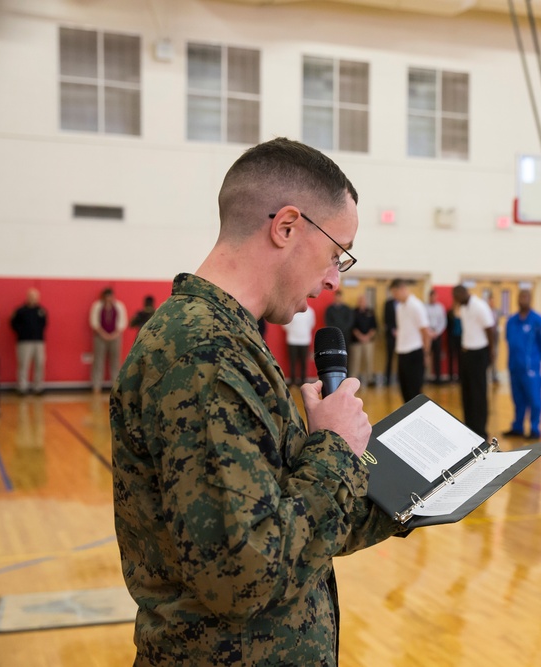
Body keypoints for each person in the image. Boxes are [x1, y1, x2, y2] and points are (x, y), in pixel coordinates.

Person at [111, 137, 407, 666]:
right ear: (286, 227)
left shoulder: (228, 339)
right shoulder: (204, 355)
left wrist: (410, 495)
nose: (334, 279)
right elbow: (245, 574)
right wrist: (336, 448)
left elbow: (289, 523)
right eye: (337, 254)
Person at [503, 289, 541, 440]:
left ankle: (535, 428)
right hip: (514, 367)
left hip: (530, 369)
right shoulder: (511, 321)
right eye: (520, 297)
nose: (522, 299)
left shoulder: (538, 320)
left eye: (525, 296)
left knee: (534, 399)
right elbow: (508, 341)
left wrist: (535, 360)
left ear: (530, 299)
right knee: (518, 399)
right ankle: (517, 427)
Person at [453, 284, 496, 440]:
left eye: (457, 297)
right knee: (466, 392)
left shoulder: (479, 306)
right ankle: (469, 426)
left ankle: (481, 430)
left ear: (464, 294)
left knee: (478, 392)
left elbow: (490, 329)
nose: (455, 301)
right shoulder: (463, 307)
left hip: (479, 353)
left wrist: (492, 352)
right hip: (466, 353)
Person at [391, 279, 431, 403]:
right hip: (402, 352)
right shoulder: (399, 307)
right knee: (405, 391)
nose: (394, 296)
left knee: (414, 392)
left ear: (402, 289)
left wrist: (426, 354)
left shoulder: (416, 305)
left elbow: (425, 331)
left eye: (395, 292)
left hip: (414, 353)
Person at [10, 288, 48, 395]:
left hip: (39, 342)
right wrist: (22, 332)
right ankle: (22, 387)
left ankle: (38, 387)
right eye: (31, 296)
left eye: (35, 297)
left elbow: (44, 324)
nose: (33, 298)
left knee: (40, 364)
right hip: (24, 341)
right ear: (27, 297)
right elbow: (13, 324)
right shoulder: (20, 311)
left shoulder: (41, 311)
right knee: (23, 364)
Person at [89, 287, 127, 393]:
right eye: (107, 297)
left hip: (115, 337)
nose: (109, 299)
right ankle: (96, 386)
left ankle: (115, 385)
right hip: (100, 337)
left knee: (115, 361)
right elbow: (94, 321)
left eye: (111, 297)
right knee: (98, 361)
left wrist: (114, 334)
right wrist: (103, 334)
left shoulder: (119, 306)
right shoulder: (97, 306)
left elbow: (123, 322)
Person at [283, 303, 315, 387]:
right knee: (292, 362)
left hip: (305, 340)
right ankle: (293, 381)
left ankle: (303, 381)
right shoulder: (291, 309)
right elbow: (285, 324)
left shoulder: (310, 311)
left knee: (304, 362)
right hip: (292, 340)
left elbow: (312, 323)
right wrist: (293, 331)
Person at [350, 294, 377, 387]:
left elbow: (374, 326)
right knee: (355, 361)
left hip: (369, 341)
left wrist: (367, 336)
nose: (362, 303)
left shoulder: (370, 312)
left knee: (369, 361)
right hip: (356, 341)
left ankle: (369, 379)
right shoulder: (353, 312)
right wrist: (360, 336)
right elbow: (352, 327)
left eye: (364, 301)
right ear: (358, 302)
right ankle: (353, 381)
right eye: (360, 301)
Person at [426, 289, 447, 382]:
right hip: (427, 334)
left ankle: (438, 378)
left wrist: (437, 332)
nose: (433, 298)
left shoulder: (440, 307)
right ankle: (426, 377)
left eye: (434, 296)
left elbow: (443, 322)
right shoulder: (424, 307)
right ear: (429, 297)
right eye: (431, 296)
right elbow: (423, 321)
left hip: (437, 334)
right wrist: (429, 332)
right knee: (427, 356)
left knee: (437, 356)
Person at [383, 295, 397, 386]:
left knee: (402, 359)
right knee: (389, 357)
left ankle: (401, 379)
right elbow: (386, 319)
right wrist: (393, 330)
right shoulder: (388, 304)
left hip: (403, 335)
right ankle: (387, 379)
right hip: (391, 334)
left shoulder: (404, 304)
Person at [446, 304, 461, 382]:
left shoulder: (463, 312)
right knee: (451, 357)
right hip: (452, 338)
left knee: (460, 358)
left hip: (460, 339)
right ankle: (451, 377)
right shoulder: (450, 313)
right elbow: (448, 326)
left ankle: (459, 376)